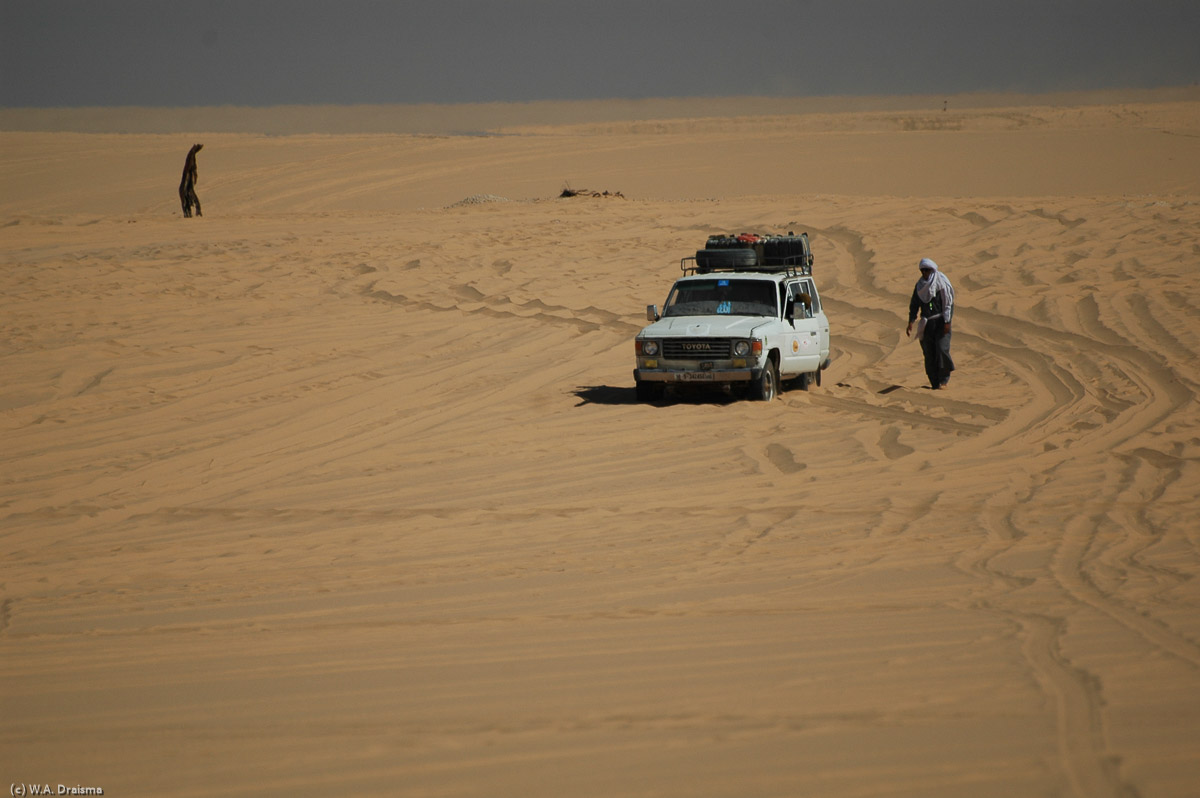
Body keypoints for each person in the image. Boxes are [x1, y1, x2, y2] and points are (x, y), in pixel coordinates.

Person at [906, 257, 955, 389]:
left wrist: (947, 321)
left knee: (942, 348)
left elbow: (948, 304)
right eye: (922, 270)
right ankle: (934, 383)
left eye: (927, 270)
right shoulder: (920, 286)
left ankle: (944, 380)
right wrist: (911, 321)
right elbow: (914, 304)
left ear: (932, 270)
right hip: (927, 324)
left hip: (941, 322)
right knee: (929, 353)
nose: (925, 273)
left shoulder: (941, 283)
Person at [179, 143, 203, 217]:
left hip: (187, 185)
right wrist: (193, 152)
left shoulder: (190, 170)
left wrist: (193, 152)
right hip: (186, 185)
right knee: (187, 196)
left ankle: (191, 212)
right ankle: (190, 212)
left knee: (187, 195)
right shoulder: (189, 169)